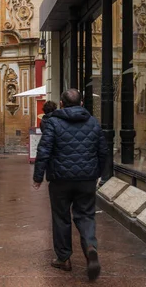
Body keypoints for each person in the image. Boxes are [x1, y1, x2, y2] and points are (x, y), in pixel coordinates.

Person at [33, 89, 107, 282]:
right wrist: (98, 173)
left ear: (61, 103)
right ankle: (90, 247)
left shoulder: (53, 123)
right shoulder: (93, 122)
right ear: (82, 103)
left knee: (61, 217)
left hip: (60, 180)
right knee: (86, 215)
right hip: (86, 179)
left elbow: (44, 150)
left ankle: (63, 258)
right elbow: (103, 150)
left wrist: (38, 176)